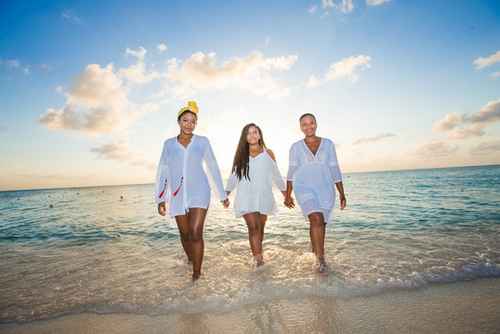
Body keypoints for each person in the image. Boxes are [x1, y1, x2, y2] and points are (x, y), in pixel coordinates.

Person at [155, 101, 230, 281]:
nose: (189, 124)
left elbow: (212, 167)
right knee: (185, 234)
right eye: (185, 120)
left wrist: (222, 194)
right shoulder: (169, 144)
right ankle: (191, 260)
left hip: (200, 191)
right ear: (179, 122)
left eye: (193, 121)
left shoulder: (202, 142)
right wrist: (160, 198)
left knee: (196, 232)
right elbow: (162, 171)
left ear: (196, 123)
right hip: (177, 195)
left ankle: (197, 274)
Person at [284, 113, 347, 274]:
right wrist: (287, 194)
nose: (308, 126)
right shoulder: (296, 147)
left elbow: (334, 168)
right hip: (303, 187)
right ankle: (321, 261)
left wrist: (342, 193)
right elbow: (291, 171)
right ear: (300, 127)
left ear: (316, 124)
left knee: (320, 224)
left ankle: (315, 252)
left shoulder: (328, 144)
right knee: (316, 218)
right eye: (304, 124)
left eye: (311, 123)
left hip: (325, 188)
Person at [225, 123, 287, 267]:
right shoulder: (241, 155)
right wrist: (225, 194)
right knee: (253, 227)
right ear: (245, 137)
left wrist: (286, 194)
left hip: (264, 196)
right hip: (245, 196)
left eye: (255, 132)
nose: (252, 135)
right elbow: (234, 176)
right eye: (248, 133)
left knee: (260, 228)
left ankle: (258, 253)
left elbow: (276, 175)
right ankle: (259, 263)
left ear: (259, 135)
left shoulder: (268, 153)